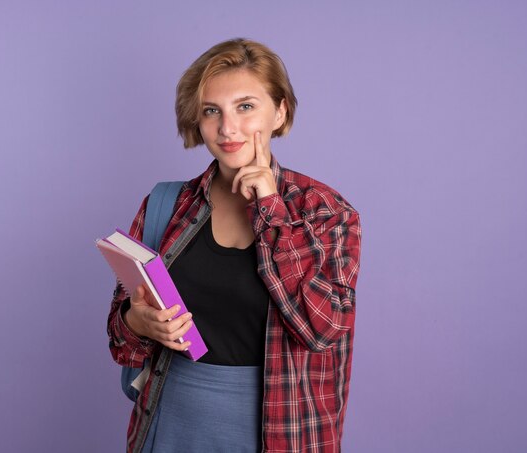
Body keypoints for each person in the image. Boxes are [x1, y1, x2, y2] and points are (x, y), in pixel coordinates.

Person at [107, 38, 361, 453]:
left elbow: (322, 330)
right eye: (212, 111)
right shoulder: (166, 205)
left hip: (281, 432)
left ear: (279, 112)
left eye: (246, 107)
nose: (227, 128)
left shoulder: (326, 212)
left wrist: (270, 211)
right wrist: (136, 322)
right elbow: (121, 341)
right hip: (169, 426)